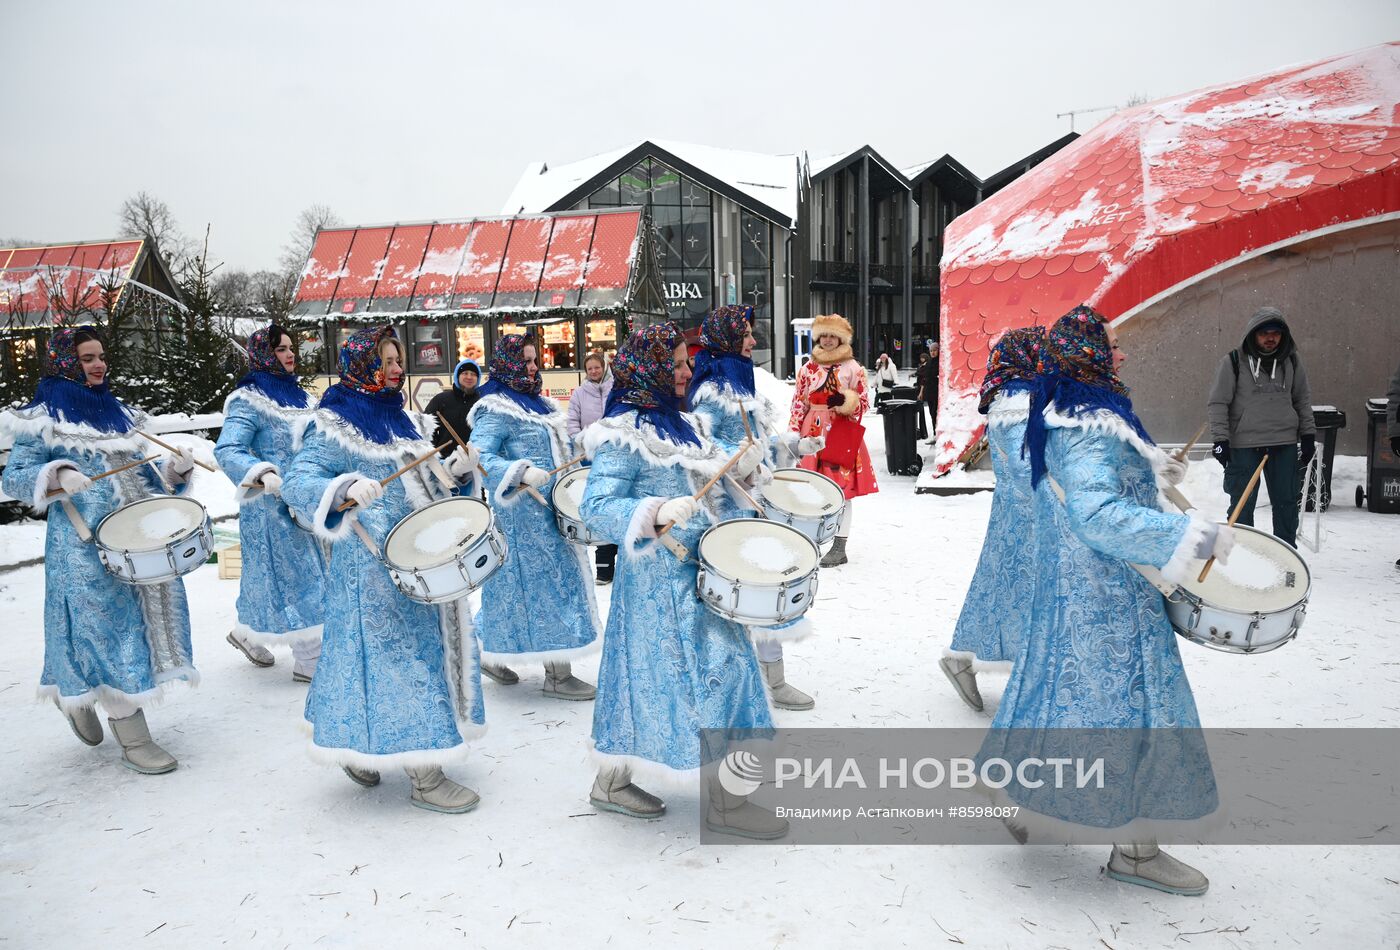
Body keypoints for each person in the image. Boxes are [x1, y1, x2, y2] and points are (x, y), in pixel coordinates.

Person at [980, 305, 1227, 896]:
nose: (1119, 354)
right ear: (1089, 352)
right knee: (1128, 718)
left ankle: (1007, 780)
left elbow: (1091, 489)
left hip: (1072, 589)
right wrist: (1188, 536)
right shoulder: (1090, 423)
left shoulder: (1063, 414)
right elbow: (1095, 513)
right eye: (1110, 345)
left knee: (1051, 695)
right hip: (1108, 599)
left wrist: (1152, 468)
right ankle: (1135, 852)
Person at [578, 323, 781, 838]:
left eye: (688, 362)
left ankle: (614, 780)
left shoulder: (687, 424)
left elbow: (715, 489)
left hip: (703, 578)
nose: (687, 372)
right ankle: (724, 803)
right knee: (693, 676)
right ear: (647, 367)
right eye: (675, 364)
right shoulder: (622, 433)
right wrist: (654, 510)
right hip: (655, 588)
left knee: (667, 679)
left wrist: (748, 471)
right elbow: (595, 509)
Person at [282, 326, 485, 813]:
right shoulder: (333, 423)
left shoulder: (403, 419)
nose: (397, 368)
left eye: (398, 359)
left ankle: (360, 741)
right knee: (397, 661)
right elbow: (297, 480)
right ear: (359, 364)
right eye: (386, 360)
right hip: (369, 571)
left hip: (420, 560)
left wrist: (455, 473)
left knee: (396, 658)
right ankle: (425, 773)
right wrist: (345, 488)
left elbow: (425, 488)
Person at [1, 326, 198, 774]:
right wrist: (56, 473)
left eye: (101, 356)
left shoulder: (118, 415)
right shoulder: (41, 418)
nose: (98, 364)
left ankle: (75, 696)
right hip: (82, 548)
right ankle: (133, 737)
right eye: (87, 357)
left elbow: (147, 480)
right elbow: (14, 476)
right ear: (65, 362)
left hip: (136, 542)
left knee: (131, 630)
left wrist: (176, 472)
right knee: (102, 631)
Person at [688, 305, 823, 711]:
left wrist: (794, 447)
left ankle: (773, 680)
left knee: (767, 595)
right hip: (726, 517)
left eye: (751, 332)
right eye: (746, 334)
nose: (753, 340)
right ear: (728, 339)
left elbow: (758, 443)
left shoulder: (743, 386)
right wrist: (741, 461)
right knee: (737, 605)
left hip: (754, 510)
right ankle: (730, 686)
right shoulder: (709, 393)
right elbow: (704, 451)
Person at [468, 334, 601, 699]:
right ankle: (558, 674)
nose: (532, 366)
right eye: (524, 360)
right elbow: (478, 456)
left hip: (550, 513)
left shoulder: (541, 404)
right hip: (521, 518)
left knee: (511, 591)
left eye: (533, 359)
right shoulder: (495, 407)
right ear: (508, 363)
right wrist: (520, 472)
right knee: (548, 590)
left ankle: (487, 652)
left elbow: (560, 449)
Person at [941, 327, 1047, 711]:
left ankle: (961, 656)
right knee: (1026, 595)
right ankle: (1030, 684)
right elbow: (1025, 469)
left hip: (1013, 517)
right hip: (1032, 517)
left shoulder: (1010, 398)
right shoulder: (1021, 402)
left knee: (997, 590)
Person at [214, 323, 328, 683]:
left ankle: (246, 633)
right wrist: (261, 473)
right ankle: (311, 658)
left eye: (291, 347)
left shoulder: (303, 400)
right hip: (268, 508)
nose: (290, 354)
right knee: (301, 579)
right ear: (264, 354)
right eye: (280, 349)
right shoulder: (247, 400)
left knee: (274, 578)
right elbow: (228, 449)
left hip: (305, 501)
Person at [1207, 306, 1314, 547]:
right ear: (1253, 334)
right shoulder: (1233, 362)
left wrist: (1308, 434)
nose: (1270, 337)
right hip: (1245, 445)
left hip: (1284, 443)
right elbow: (1218, 402)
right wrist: (1220, 440)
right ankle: (1243, 554)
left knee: (1286, 503)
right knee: (1242, 505)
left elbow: (1302, 400)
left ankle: (1286, 556)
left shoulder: (1293, 362)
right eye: (1264, 332)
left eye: (1276, 332)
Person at [789, 313, 878, 567]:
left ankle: (840, 545)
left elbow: (864, 404)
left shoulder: (854, 369)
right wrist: (794, 435)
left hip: (840, 432)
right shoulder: (807, 369)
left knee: (842, 492)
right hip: (812, 433)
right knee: (809, 489)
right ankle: (811, 539)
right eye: (823, 335)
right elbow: (798, 403)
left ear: (841, 338)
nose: (827, 340)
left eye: (833, 335)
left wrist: (847, 402)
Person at [567, 351, 617, 584]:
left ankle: (622, 562)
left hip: (616, 454)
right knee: (600, 508)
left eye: (597, 367)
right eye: (590, 369)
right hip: (591, 457)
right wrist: (581, 440)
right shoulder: (579, 393)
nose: (594, 372)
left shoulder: (616, 388)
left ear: (604, 367)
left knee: (618, 507)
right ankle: (604, 569)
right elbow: (572, 422)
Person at [426, 358, 481, 459]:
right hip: (444, 460)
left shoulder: (482, 403)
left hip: (474, 461)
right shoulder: (441, 400)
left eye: (473, 374)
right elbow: (426, 426)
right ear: (457, 376)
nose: (469, 377)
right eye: (465, 373)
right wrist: (435, 452)